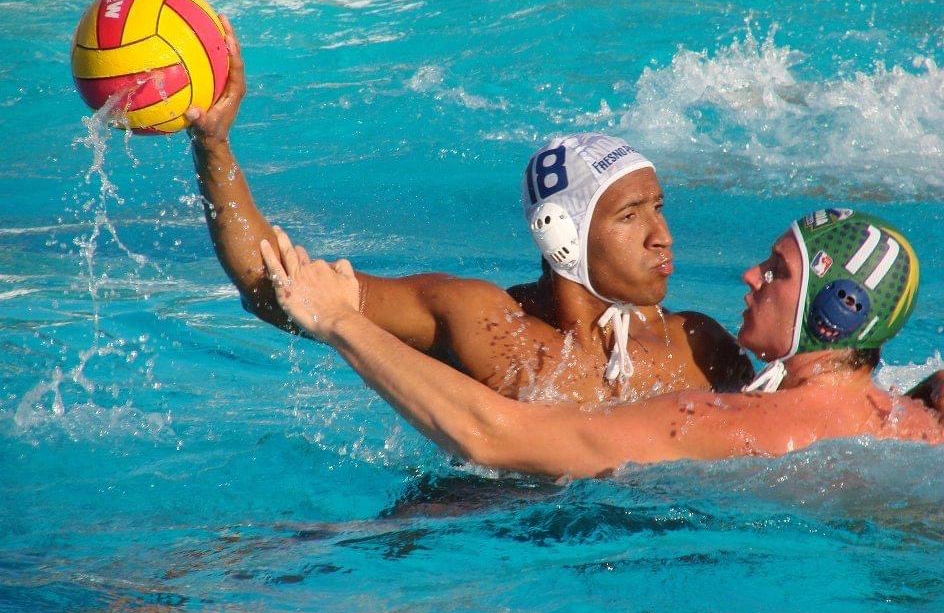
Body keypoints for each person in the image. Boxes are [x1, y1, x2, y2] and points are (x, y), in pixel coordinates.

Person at [185, 17, 751, 407]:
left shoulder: (697, 346)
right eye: (630, 216)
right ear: (561, 233)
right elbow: (274, 290)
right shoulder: (483, 321)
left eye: (658, 208)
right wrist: (214, 145)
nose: (662, 236)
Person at [258, 209, 944, 479]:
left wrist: (340, 323)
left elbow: (490, 437)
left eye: (779, 271)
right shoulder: (917, 422)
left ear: (837, 311)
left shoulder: (722, 423)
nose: (751, 275)